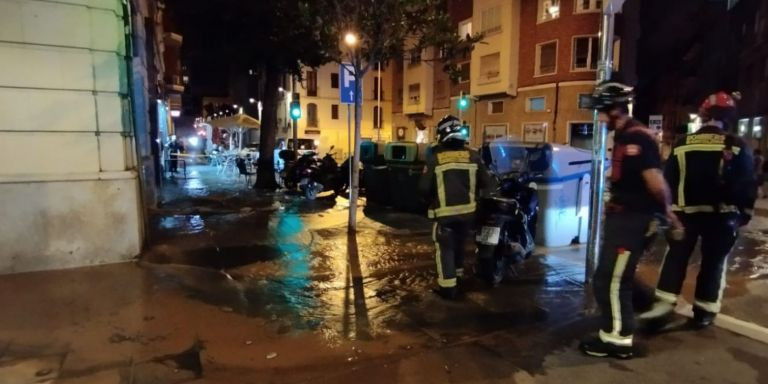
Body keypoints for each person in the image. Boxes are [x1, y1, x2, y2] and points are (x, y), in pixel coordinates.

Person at [578, 82, 680, 359]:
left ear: (614, 109)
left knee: (610, 280)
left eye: (601, 111)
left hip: (632, 221)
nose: (598, 119)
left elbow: (656, 183)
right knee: (615, 276)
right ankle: (648, 313)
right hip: (625, 220)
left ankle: (618, 339)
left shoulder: (638, 138)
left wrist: (667, 212)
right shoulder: (625, 137)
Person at [639, 91, 756, 328]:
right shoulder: (736, 146)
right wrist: (744, 214)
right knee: (714, 263)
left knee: (675, 259)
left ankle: (663, 308)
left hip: (684, 215)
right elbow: (747, 184)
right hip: (722, 218)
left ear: (703, 116)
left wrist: (665, 212)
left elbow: (667, 179)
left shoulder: (682, 144)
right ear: (730, 117)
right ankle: (704, 313)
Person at [418, 115, 492, 300]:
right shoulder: (473, 156)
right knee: (459, 245)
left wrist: (427, 201)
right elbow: (487, 183)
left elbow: (423, 188)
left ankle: (448, 288)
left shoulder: (435, 157)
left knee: (445, 249)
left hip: (445, 216)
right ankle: (458, 277)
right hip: (468, 215)